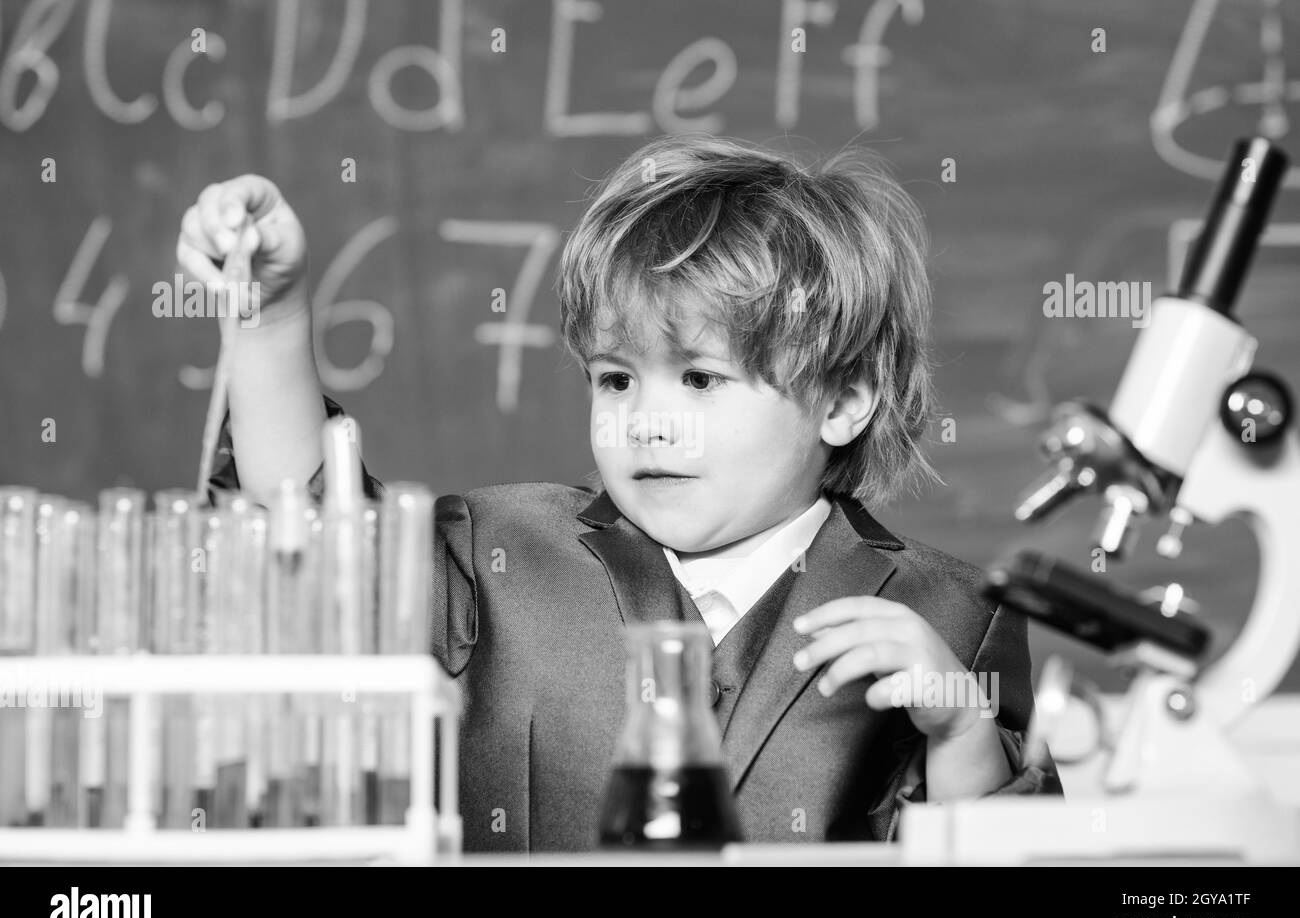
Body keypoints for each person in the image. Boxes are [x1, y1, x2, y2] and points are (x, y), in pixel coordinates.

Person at [177, 133, 1062, 852]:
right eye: (615, 380)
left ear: (842, 399)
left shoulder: (946, 617)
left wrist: (961, 735)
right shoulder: (499, 551)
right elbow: (304, 520)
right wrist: (271, 316)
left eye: (702, 380)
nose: (648, 423)